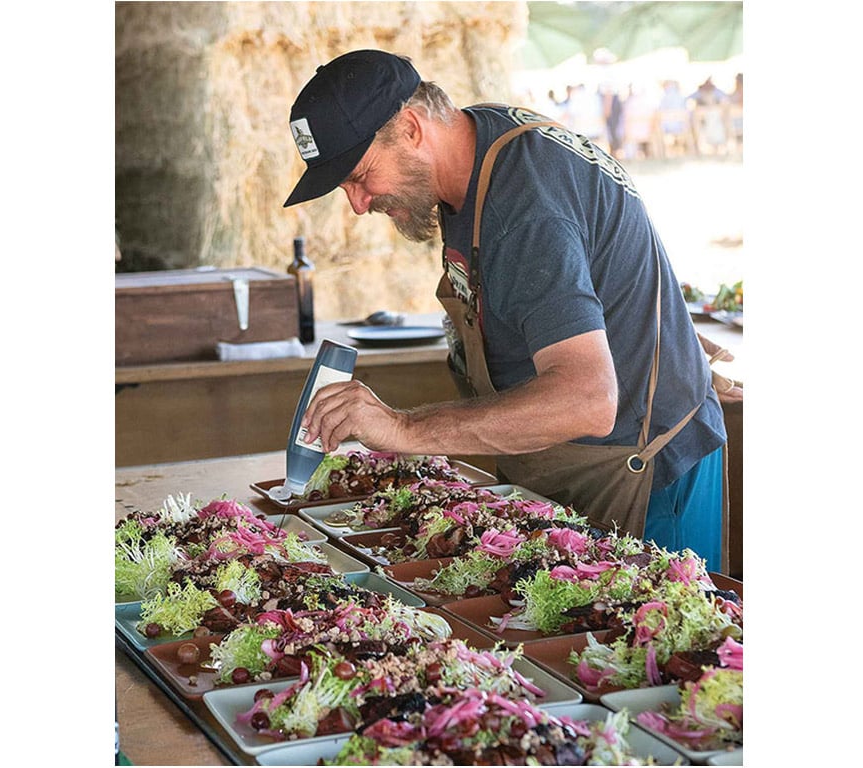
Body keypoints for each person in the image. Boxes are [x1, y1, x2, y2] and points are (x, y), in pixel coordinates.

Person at [282, 50, 728, 570]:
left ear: (410, 128)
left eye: (359, 177)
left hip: (650, 477)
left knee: (654, 645)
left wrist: (404, 430)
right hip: (581, 463)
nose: (358, 205)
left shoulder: (522, 207)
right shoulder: (481, 145)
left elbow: (587, 399)